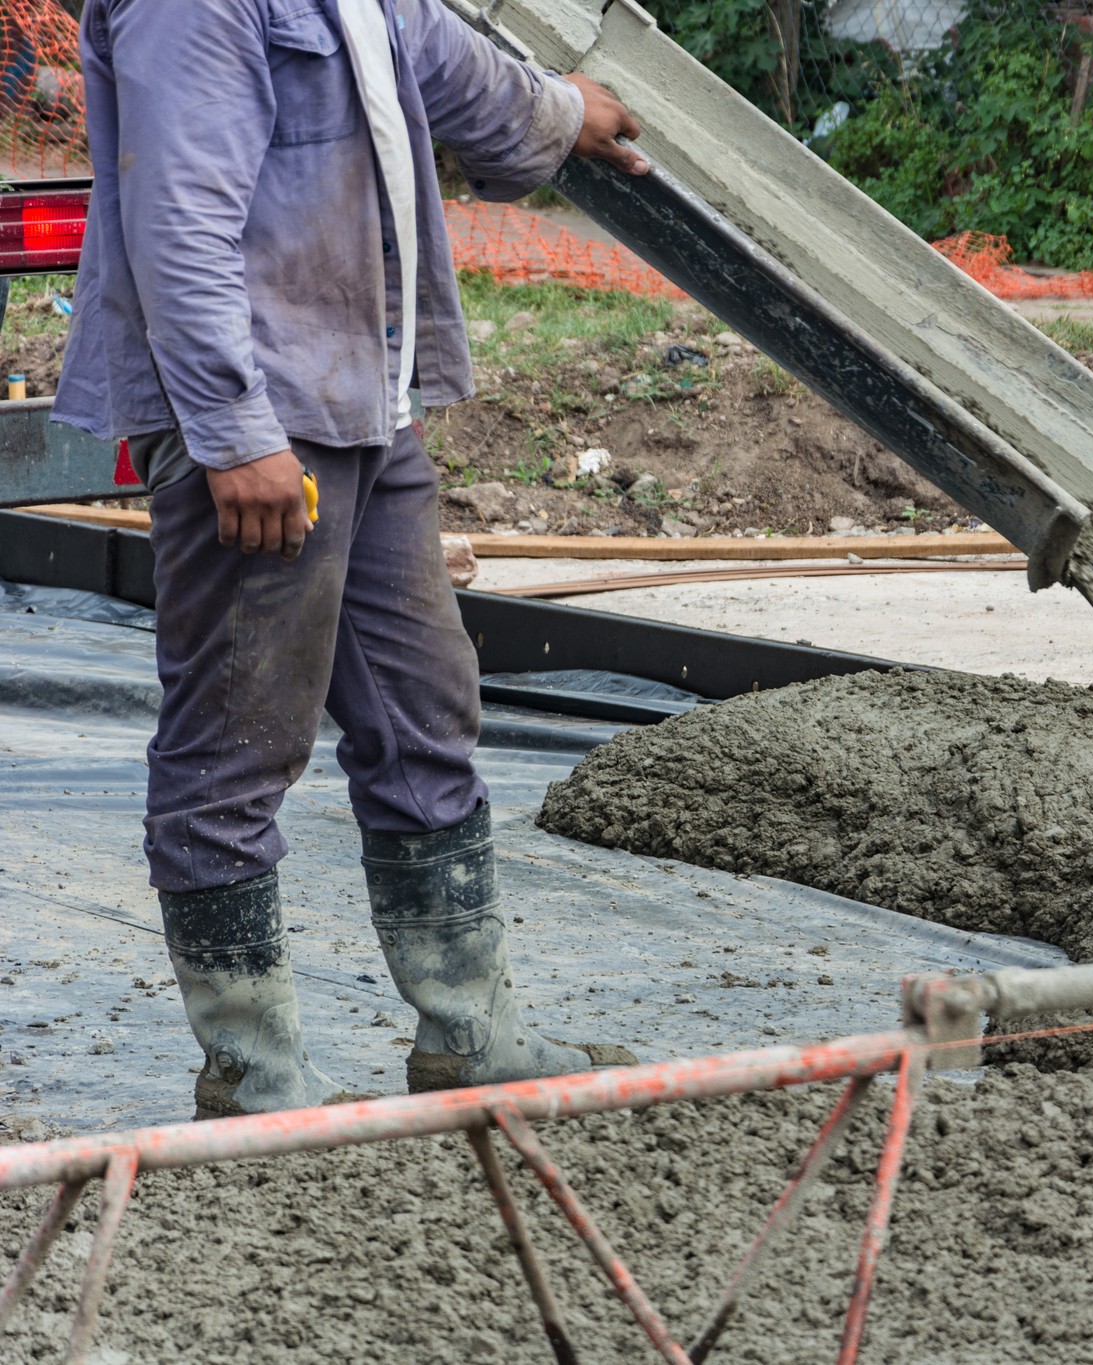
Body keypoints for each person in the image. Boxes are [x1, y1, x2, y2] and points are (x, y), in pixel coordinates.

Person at [52, 0, 652, 1115]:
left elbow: (448, 63)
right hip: (260, 422)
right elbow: (176, 221)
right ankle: (252, 1075)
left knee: (426, 710)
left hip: (363, 396)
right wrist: (235, 438)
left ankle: (470, 1034)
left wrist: (568, 111)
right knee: (239, 737)